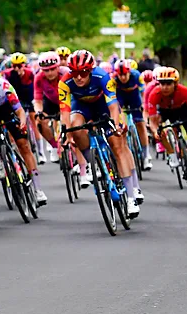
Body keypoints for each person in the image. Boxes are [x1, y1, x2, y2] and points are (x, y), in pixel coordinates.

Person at [59, 50, 142, 217]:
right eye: (75, 73)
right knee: (75, 127)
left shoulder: (102, 76)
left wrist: (116, 125)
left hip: (103, 104)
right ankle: (92, 163)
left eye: (83, 72)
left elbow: (113, 105)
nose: (79, 77)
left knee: (117, 146)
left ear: (90, 70)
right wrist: (66, 134)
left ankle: (131, 197)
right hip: (81, 106)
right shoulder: (65, 82)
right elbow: (65, 113)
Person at [0, 62, 48, 205]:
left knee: (23, 145)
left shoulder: (5, 87)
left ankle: (38, 189)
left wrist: (23, 122)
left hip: (6, 110)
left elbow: (19, 110)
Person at [147, 67, 187, 192]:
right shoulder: (154, 94)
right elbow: (152, 121)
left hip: (183, 111)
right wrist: (155, 131)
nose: (165, 87)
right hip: (166, 112)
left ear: (175, 84)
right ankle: (172, 154)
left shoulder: (184, 91)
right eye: (162, 83)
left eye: (168, 84)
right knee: (159, 131)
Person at [33, 52, 92, 187]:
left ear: (58, 66)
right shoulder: (39, 78)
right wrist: (38, 111)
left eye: (53, 69)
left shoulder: (65, 73)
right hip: (51, 103)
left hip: (69, 101)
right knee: (39, 122)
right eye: (46, 70)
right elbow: (37, 99)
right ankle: (55, 146)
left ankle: (83, 172)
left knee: (73, 130)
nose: (49, 73)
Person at [2, 52, 46, 164]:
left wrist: (36, 101)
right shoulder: (8, 74)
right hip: (16, 99)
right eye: (14, 66)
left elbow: (37, 88)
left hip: (29, 98)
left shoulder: (30, 73)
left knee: (34, 120)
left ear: (24, 65)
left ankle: (41, 153)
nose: (17, 69)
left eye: (19, 66)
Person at [113, 59, 153, 171]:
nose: (123, 77)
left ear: (129, 72)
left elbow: (143, 92)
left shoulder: (136, 76)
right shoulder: (113, 79)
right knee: (119, 121)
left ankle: (146, 155)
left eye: (125, 74)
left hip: (134, 96)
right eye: (120, 75)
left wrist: (144, 105)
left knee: (140, 123)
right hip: (121, 96)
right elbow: (112, 98)